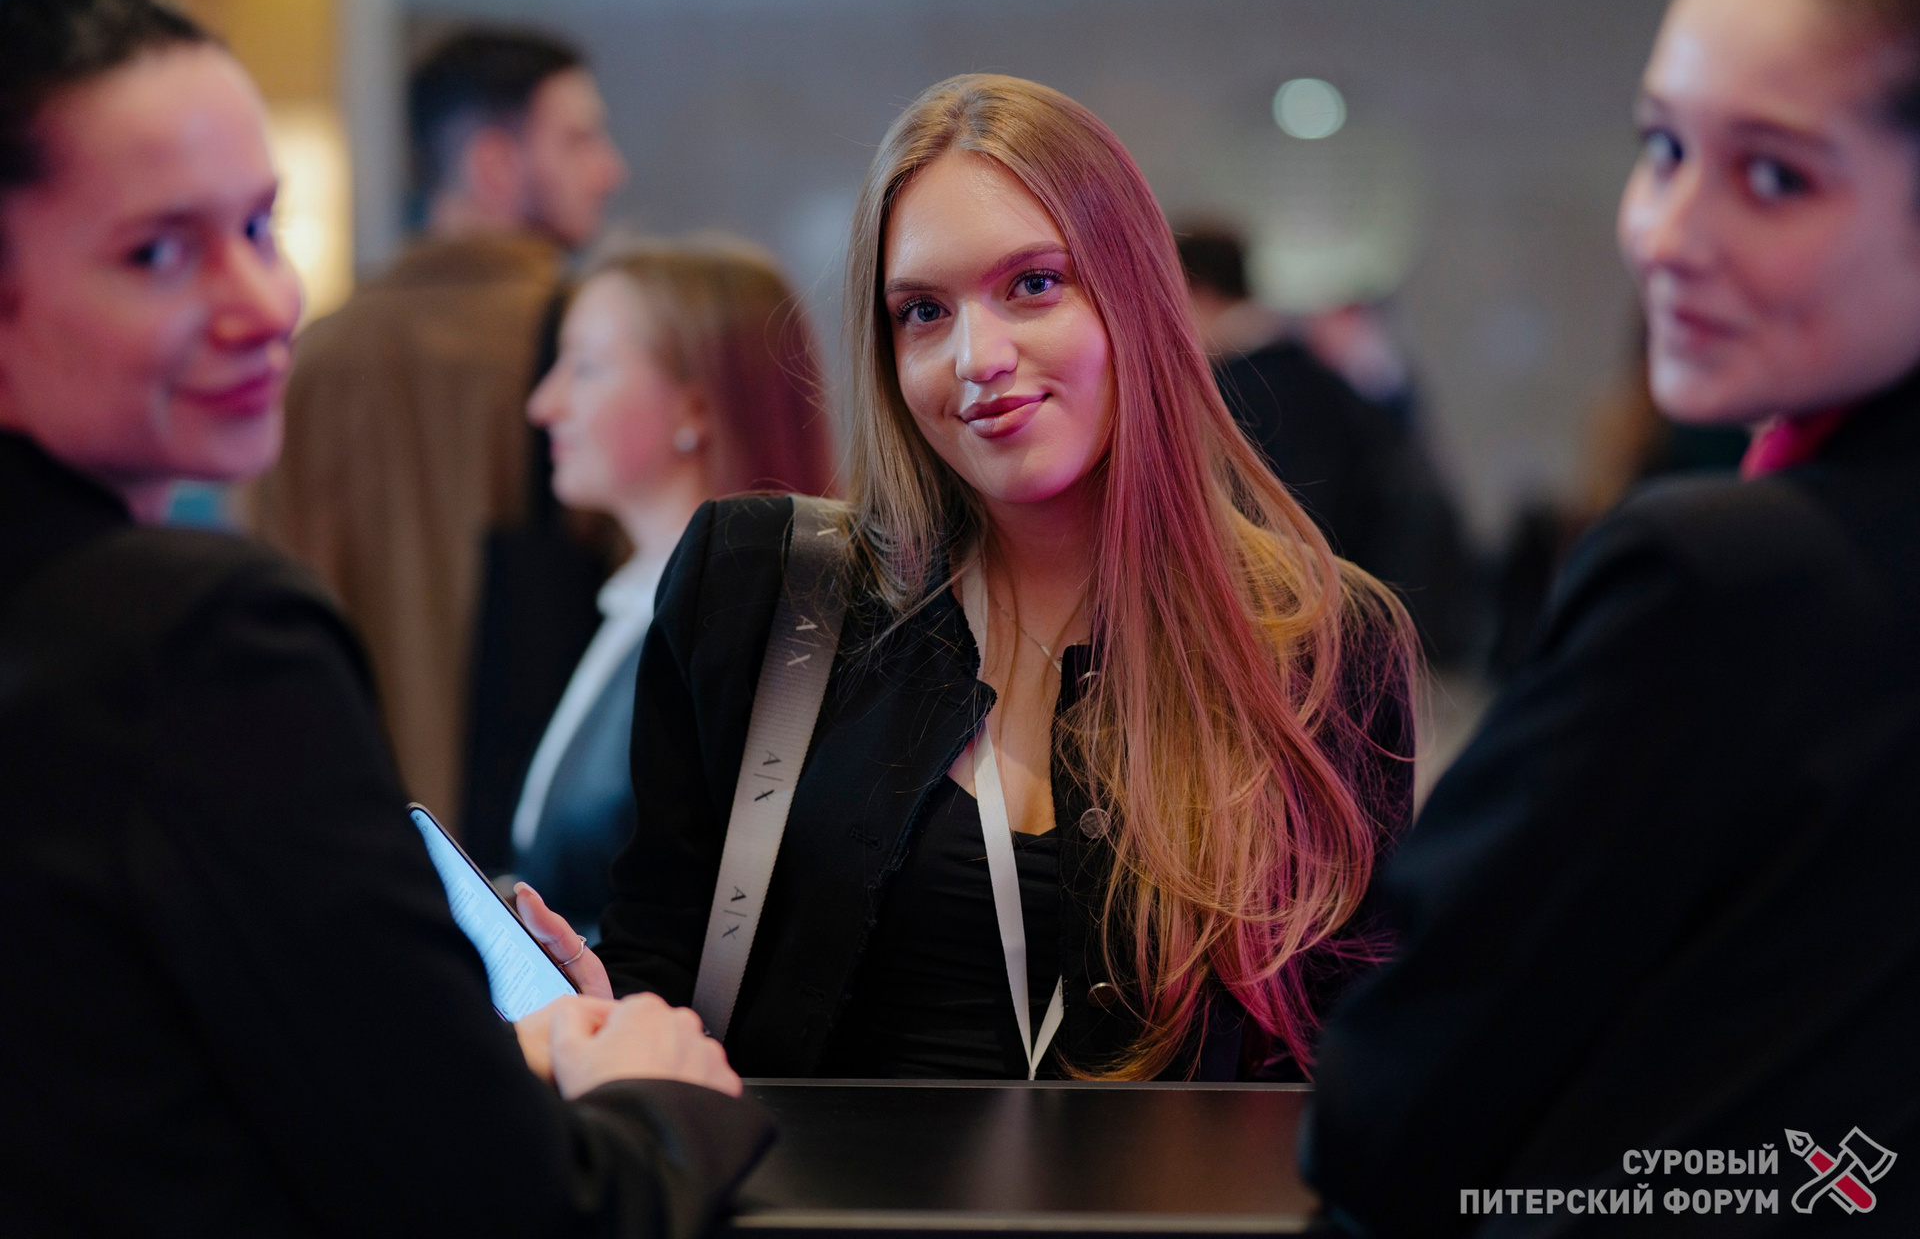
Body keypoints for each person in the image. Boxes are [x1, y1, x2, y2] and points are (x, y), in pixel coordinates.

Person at [0, 0, 764, 1232]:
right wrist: (658, 1095)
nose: (265, 303)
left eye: (261, 228)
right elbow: (523, 1207)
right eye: (158, 252)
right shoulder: (195, 639)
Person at [522, 74, 1416, 1083]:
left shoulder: (1320, 644)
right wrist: (601, 1017)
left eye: (1033, 284)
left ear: (1134, 296)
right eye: (922, 311)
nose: (976, 356)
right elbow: (664, 971)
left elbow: (1350, 1060)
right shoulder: (763, 588)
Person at [1305, 0, 1920, 1232]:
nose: (1665, 234)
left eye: (1774, 176)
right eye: (1663, 147)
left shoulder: (1720, 583)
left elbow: (1396, 1102)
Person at [249, 26, 629, 829]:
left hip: (340, 830)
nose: (610, 170)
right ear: (492, 163)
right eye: (579, 140)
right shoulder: (591, 348)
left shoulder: (309, 359)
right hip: (527, 860)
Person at [507, 240, 834, 942]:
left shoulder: (753, 636)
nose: (544, 404)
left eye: (585, 366)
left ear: (695, 407)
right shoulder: (633, 603)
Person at [1177, 227, 1477, 664]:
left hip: (1290, 638)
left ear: (1197, 293)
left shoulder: (1235, 392)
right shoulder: (1321, 377)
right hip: (1358, 625)